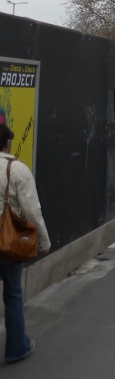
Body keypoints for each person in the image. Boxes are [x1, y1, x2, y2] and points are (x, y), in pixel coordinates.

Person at [0, 124, 49, 364]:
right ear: (8, 143)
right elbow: (32, 210)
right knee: (13, 293)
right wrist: (44, 241)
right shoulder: (17, 169)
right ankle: (16, 348)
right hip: (9, 243)